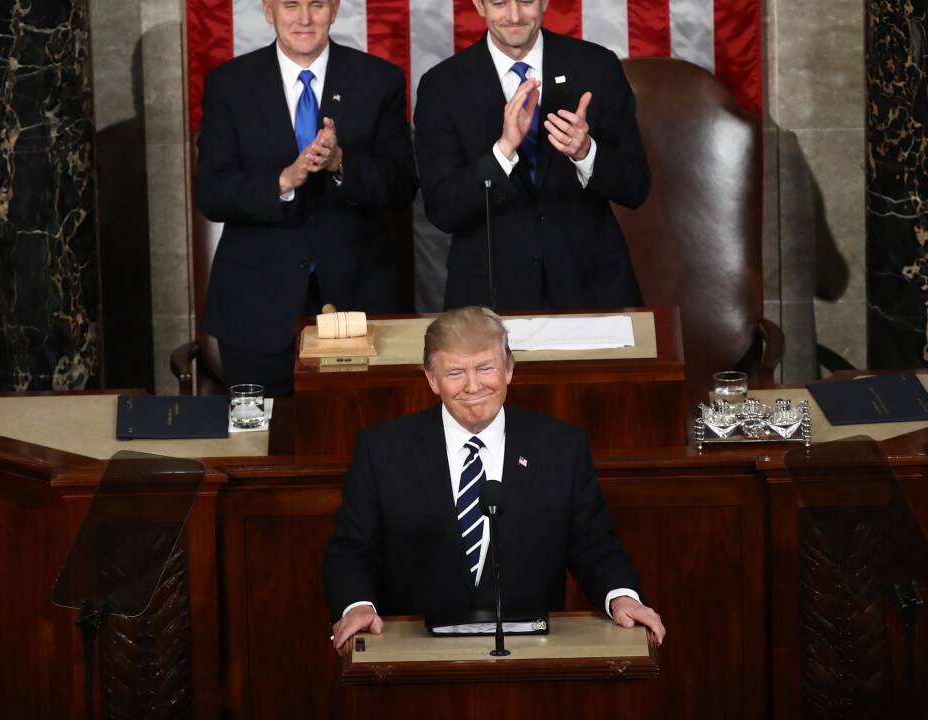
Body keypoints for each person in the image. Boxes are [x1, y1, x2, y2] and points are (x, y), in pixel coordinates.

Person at [323, 306, 665, 654]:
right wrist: (357, 605)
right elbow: (352, 550)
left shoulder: (560, 447)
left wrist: (622, 596)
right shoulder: (382, 450)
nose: (473, 386)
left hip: (531, 656)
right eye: (455, 372)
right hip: (417, 659)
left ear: (509, 370)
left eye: (485, 368)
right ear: (431, 379)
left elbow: (594, 545)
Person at [195, 0, 418, 397]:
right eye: (290, 5)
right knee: (263, 448)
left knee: (360, 441)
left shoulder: (378, 80)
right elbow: (212, 193)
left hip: (359, 300)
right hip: (256, 310)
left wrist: (340, 164)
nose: (303, 18)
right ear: (268, 10)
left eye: (316, 4)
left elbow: (402, 186)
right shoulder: (228, 84)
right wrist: (284, 180)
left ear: (334, 10)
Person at [413, 0, 649, 312]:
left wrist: (586, 152)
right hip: (489, 296)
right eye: (499, 3)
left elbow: (635, 187)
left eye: (525, 1)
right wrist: (503, 151)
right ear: (479, 5)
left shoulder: (596, 66)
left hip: (592, 285)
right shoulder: (441, 85)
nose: (514, 16)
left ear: (545, 2)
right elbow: (442, 210)